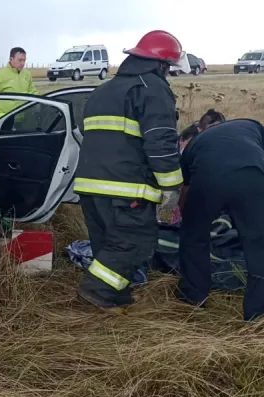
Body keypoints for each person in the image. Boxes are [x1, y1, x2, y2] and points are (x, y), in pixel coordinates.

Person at [73, 30, 188, 312]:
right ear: (161, 65)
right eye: (169, 69)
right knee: (133, 242)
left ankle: (115, 295)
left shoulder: (103, 90)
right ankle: (96, 290)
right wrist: (171, 188)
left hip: (89, 186)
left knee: (107, 243)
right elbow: (160, 143)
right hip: (126, 189)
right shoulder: (152, 89)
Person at [177, 112, 264, 321]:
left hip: (208, 180)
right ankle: (261, 316)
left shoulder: (194, 144)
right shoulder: (251, 125)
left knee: (194, 239)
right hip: (255, 179)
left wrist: (190, 219)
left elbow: (186, 193)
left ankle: (193, 298)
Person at [0, 47, 38, 121]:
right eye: (20, 60)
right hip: (4, 120)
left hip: (23, 119)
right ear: (11, 59)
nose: (23, 63)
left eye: (24, 60)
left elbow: (33, 92)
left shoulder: (27, 74)